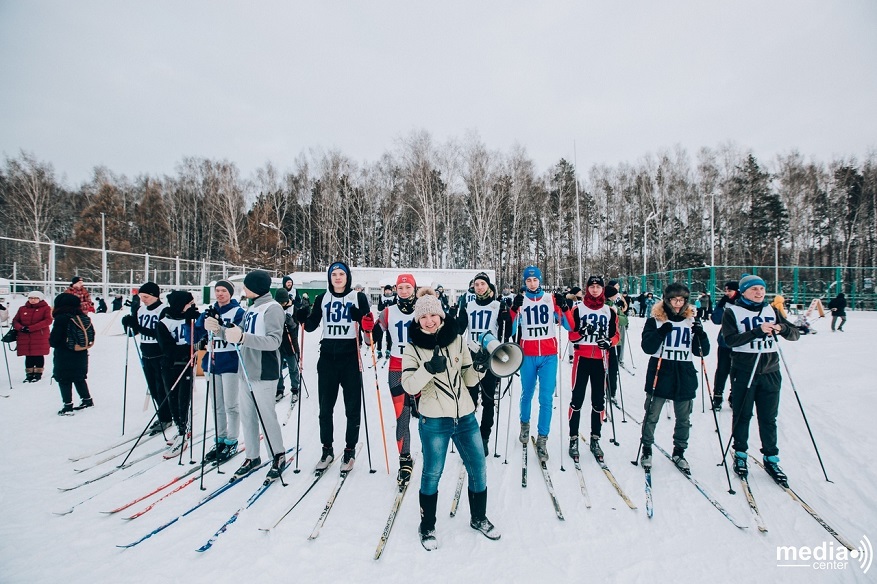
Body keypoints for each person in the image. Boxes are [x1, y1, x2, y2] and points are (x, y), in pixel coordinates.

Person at [402, 288, 500, 550]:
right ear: (417, 320)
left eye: (434, 314)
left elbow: (468, 378)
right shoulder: (412, 347)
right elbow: (409, 386)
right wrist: (427, 369)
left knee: (478, 467)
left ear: (442, 315)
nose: (429, 320)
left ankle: (479, 518)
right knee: (433, 473)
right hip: (434, 421)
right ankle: (427, 525)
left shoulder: (456, 340)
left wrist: (479, 367)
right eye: (424, 316)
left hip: (465, 416)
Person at [207, 270, 287, 483]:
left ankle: (278, 455)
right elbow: (236, 335)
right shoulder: (251, 308)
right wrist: (218, 330)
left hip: (264, 371)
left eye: (247, 286)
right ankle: (252, 456)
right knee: (247, 417)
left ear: (257, 287)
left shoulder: (273, 308)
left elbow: (273, 341)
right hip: (245, 371)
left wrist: (243, 337)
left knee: (266, 416)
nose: (243, 289)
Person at [721, 274, 799, 484]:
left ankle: (771, 457)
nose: (759, 292)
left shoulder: (771, 310)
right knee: (742, 414)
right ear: (743, 291)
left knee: (768, 417)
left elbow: (795, 333)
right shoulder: (733, 311)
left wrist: (780, 328)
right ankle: (740, 454)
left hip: (771, 371)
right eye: (754, 289)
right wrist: (756, 331)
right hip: (744, 370)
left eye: (762, 289)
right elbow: (728, 340)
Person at [300, 262, 373, 472]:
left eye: (342, 274)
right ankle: (327, 449)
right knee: (325, 408)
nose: (338, 277)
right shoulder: (323, 298)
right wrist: (302, 315)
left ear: (347, 277)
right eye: (334, 274)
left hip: (350, 356)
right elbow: (312, 325)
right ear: (329, 277)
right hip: (328, 357)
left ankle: (349, 450)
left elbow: (369, 329)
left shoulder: (357, 297)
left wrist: (363, 320)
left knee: (352, 407)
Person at [638, 283, 709, 473]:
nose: (678, 304)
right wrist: (661, 332)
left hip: (684, 372)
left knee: (683, 418)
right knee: (652, 414)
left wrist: (700, 334)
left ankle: (679, 450)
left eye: (682, 300)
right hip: (661, 371)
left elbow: (703, 351)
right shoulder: (656, 320)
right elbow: (647, 347)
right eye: (674, 300)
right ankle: (646, 448)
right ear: (666, 300)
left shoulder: (690, 321)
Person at [510, 266, 573, 461]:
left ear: (540, 280)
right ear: (524, 282)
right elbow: (512, 330)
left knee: (546, 398)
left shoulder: (550, 299)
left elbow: (569, 326)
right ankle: (524, 425)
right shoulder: (521, 300)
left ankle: (543, 438)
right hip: (527, 354)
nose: (532, 283)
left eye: (535, 280)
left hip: (548, 355)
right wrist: (513, 310)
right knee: (527, 393)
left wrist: (564, 307)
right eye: (528, 281)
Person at [567, 276, 619, 462]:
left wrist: (609, 342)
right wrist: (581, 333)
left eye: (598, 287)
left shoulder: (609, 311)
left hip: (600, 359)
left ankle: (595, 438)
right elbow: (571, 336)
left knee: (598, 400)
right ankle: (573, 438)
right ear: (587, 288)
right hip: (582, 359)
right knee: (577, 399)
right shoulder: (577, 309)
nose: (595, 290)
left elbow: (616, 336)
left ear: (603, 289)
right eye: (592, 286)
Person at [194, 280, 245, 463]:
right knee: (217, 405)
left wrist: (219, 326)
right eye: (217, 290)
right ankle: (220, 439)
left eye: (224, 290)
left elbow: (239, 336)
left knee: (231, 404)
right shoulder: (209, 311)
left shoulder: (238, 312)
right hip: (213, 362)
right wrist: (194, 321)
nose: (220, 294)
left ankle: (232, 440)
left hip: (230, 361)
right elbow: (195, 335)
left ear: (230, 293)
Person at [378, 273, 418, 484]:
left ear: (414, 289)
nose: (404, 291)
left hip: (420, 369)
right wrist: (369, 328)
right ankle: (405, 458)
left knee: (427, 416)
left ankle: (432, 452)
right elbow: (371, 338)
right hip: (396, 368)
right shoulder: (387, 312)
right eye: (400, 288)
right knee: (402, 416)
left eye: (407, 288)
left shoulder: (423, 310)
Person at [458, 272, 502, 456]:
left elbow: (505, 329)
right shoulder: (468, 305)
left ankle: (484, 437)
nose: (479, 287)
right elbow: (460, 329)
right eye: (476, 284)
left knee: (489, 400)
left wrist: (507, 315)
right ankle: (470, 437)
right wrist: (455, 315)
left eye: (482, 284)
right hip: (471, 356)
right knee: (469, 400)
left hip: (490, 355)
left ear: (489, 286)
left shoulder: (497, 305)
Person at [121, 283, 173, 436]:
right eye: (141, 297)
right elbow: (135, 332)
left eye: (146, 297)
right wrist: (128, 325)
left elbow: (159, 333)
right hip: (146, 352)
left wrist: (139, 327)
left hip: (160, 353)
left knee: (161, 388)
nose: (143, 300)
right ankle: (163, 415)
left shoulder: (163, 310)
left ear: (155, 296)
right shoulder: (141, 309)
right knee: (153, 388)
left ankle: (167, 417)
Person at [156, 291, 201, 458]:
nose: (192, 306)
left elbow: (199, 339)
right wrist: (185, 350)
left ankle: (184, 431)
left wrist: (194, 322)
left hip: (187, 365)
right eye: (189, 303)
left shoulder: (191, 318)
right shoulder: (164, 322)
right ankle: (180, 428)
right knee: (172, 399)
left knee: (184, 400)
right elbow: (167, 348)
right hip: (170, 366)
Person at [50, 293, 95, 415]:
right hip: (81, 352)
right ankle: (87, 399)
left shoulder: (61, 318)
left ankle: (68, 405)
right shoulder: (82, 317)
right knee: (79, 377)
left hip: (64, 354)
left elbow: (54, 340)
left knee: (64, 379)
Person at [709, 281, 738, 410]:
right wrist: (720, 308)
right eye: (726, 291)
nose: (727, 293)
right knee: (722, 369)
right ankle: (717, 397)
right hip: (725, 342)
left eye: (729, 291)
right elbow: (716, 319)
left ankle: (734, 395)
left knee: (736, 371)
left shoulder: (743, 302)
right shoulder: (724, 302)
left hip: (740, 343)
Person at [13, 291, 53, 382]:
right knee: (28, 355)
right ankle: (29, 374)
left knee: (38, 354)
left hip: (39, 335)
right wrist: (20, 328)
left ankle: (38, 373)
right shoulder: (22, 309)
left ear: (40, 299)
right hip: (24, 335)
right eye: (31, 298)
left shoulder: (46, 308)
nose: (33, 300)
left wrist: (31, 328)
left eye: (35, 298)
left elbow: (47, 321)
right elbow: (15, 320)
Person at [273, 288, 301, 404]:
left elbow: (297, 324)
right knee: (277, 369)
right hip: (278, 343)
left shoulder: (293, 308)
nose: (281, 305)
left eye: (283, 302)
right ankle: (279, 390)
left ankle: (295, 389)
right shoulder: (274, 309)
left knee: (293, 368)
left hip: (291, 342)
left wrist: (292, 323)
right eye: (279, 302)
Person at [375, 284, 396, 359]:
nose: (387, 291)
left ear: (391, 290)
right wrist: (384, 304)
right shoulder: (382, 297)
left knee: (389, 336)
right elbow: (379, 308)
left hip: (390, 318)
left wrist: (390, 304)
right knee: (379, 335)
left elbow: (396, 306)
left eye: (389, 290)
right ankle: (379, 351)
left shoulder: (394, 297)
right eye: (386, 290)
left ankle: (388, 350)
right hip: (382, 318)